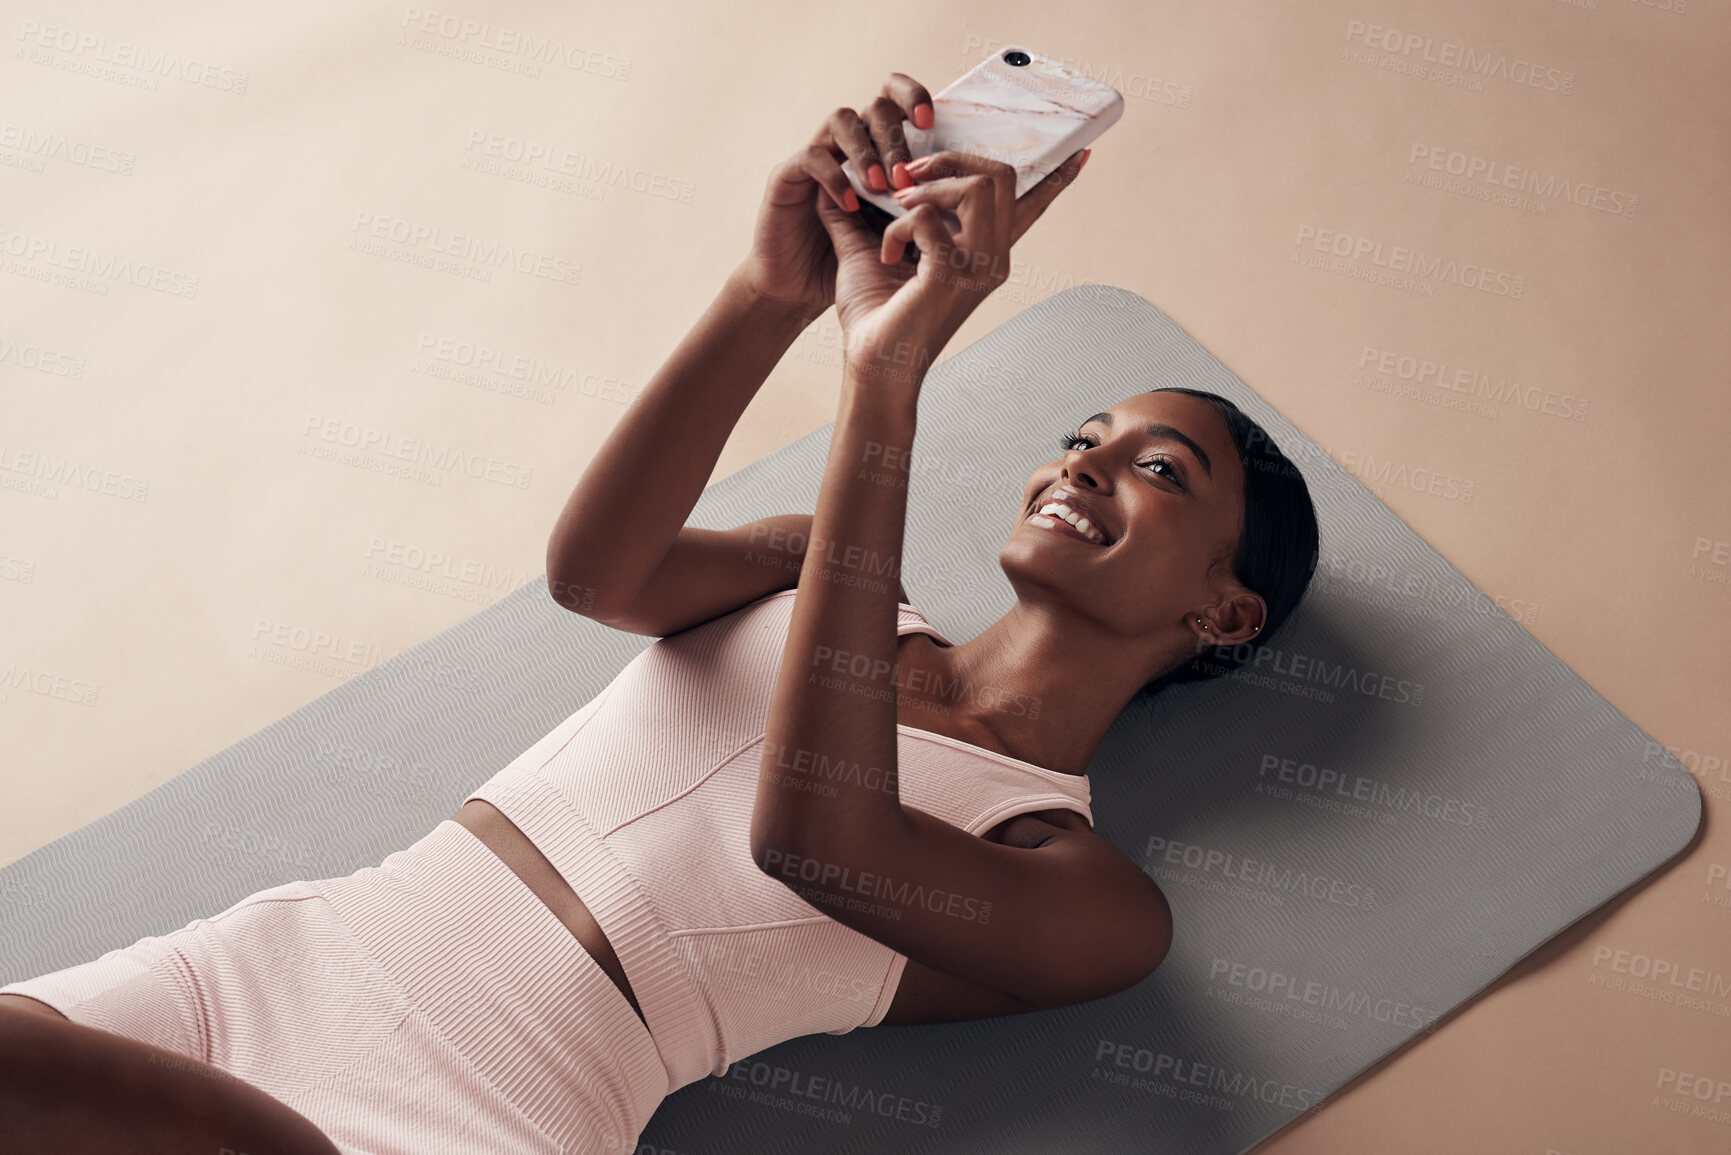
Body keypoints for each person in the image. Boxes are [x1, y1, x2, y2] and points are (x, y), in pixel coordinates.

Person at [0, 71, 1318, 1155]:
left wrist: (889, 374)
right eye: (1084, 435)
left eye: (1158, 469)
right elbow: (598, 576)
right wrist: (773, 293)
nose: (1081, 463)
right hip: (271, 965)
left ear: (1226, 610)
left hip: (478, 1119)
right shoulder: (818, 571)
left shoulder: (1091, 899)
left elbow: (816, 832)